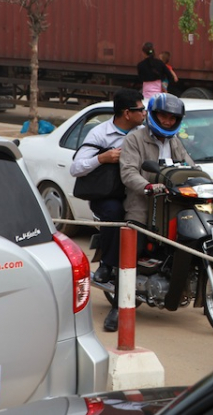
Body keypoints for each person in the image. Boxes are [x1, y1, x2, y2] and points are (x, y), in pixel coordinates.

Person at [69, 88, 145, 332]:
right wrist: (102, 159)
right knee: (115, 215)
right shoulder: (101, 133)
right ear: (127, 113)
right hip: (108, 195)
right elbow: (76, 168)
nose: (145, 113)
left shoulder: (144, 133)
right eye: (140, 109)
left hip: (136, 193)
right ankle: (108, 266)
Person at [120, 93, 194, 230]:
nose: (168, 121)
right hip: (142, 207)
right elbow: (128, 172)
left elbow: (190, 167)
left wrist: (205, 180)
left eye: (172, 118)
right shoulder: (134, 139)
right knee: (136, 247)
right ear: (153, 114)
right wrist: (148, 187)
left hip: (173, 206)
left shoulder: (175, 141)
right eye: (163, 116)